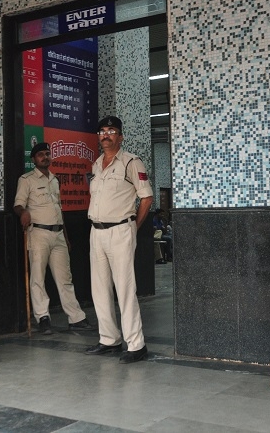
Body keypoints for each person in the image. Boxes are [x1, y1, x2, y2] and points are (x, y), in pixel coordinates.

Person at [85, 116, 153, 364]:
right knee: (99, 288)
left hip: (121, 230)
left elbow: (146, 198)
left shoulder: (131, 162)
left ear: (120, 137)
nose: (106, 135)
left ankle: (136, 344)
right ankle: (109, 339)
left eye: (111, 131)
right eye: (102, 131)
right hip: (96, 231)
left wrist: (134, 226)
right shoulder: (96, 165)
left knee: (125, 289)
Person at [13, 142, 94, 335]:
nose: (45, 157)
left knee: (65, 278)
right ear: (33, 159)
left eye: (47, 154)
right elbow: (17, 205)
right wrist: (23, 212)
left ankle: (76, 318)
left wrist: (65, 236)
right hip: (38, 233)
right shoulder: (26, 180)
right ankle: (43, 318)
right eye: (40, 154)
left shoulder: (55, 179)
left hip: (58, 235)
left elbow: (59, 210)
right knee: (38, 278)